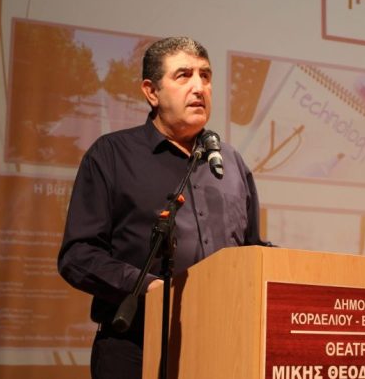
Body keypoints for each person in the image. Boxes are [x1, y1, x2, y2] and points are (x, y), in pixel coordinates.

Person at [57, 36, 271, 379]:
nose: (199, 87)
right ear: (151, 92)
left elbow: (251, 250)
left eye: (205, 75)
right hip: (136, 348)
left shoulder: (231, 163)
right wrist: (148, 288)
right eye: (183, 75)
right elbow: (78, 255)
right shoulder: (111, 156)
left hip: (224, 347)